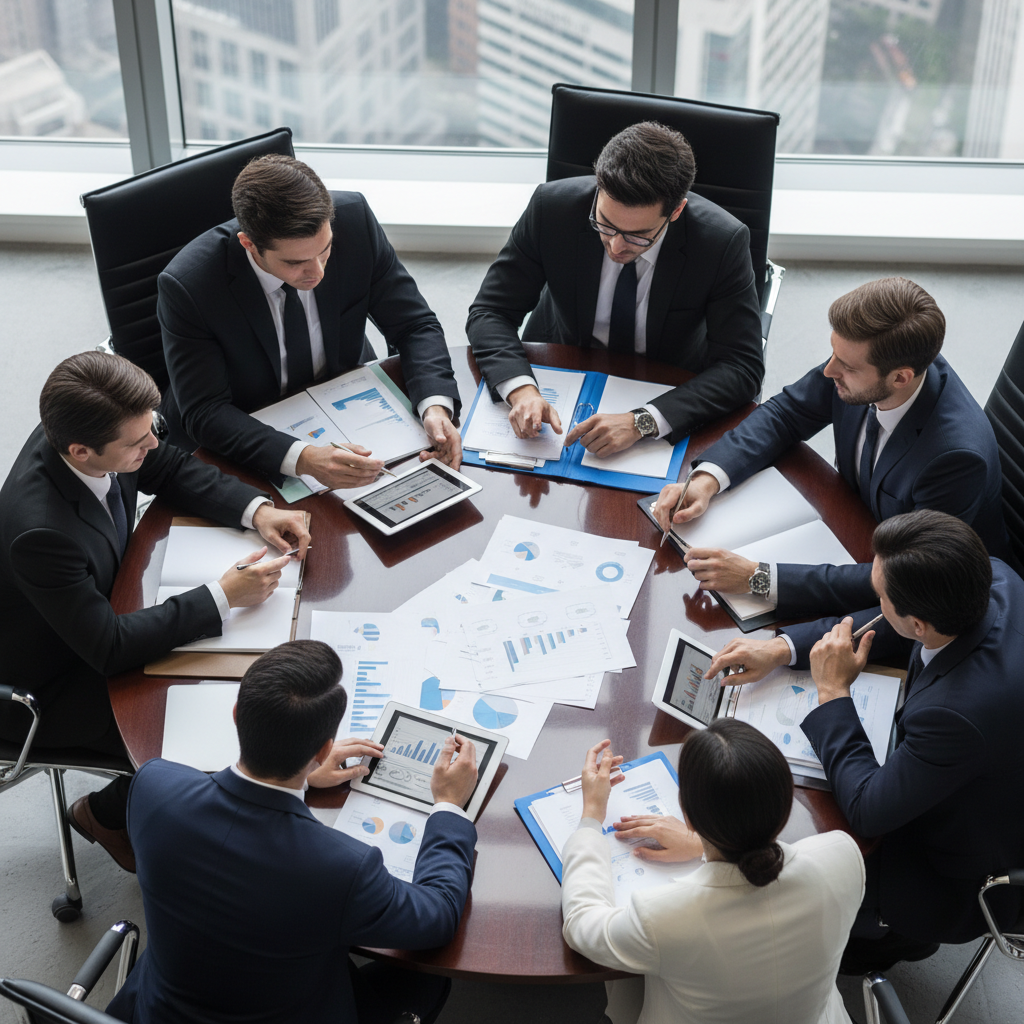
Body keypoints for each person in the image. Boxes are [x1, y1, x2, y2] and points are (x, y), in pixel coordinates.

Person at [0, 352, 309, 872]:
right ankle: (117, 818)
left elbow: (165, 466)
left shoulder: (88, 431)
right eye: (137, 442)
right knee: (219, 728)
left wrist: (258, 510)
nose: (152, 444)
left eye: (151, 430)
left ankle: (114, 810)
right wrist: (223, 595)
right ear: (81, 451)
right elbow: (107, 648)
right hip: (55, 681)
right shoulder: (41, 533)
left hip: (99, 611)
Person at [706, 510, 1024, 969]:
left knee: (775, 876)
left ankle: (894, 939)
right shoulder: (993, 577)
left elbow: (868, 810)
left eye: (882, 597)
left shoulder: (956, 714)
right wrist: (783, 648)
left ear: (919, 624)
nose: (875, 603)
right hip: (983, 775)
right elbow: (889, 621)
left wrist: (833, 692)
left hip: (952, 872)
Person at [106, 640, 478, 1024]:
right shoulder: (342, 869)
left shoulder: (153, 787)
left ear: (236, 714)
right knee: (428, 979)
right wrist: (448, 805)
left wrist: (301, 778)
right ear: (325, 750)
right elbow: (438, 915)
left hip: (156, 1009)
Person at [652, 277, 1010, 619]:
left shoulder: (955, 459)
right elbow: (786, 413)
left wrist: (758, 578)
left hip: (928, 592)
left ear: (901, 377)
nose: (828, 371)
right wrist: (708, 479)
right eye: (833, 353)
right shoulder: (866, 367)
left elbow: (908, 578)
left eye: (846, 366)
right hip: (855, 525)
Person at [158, 154, 463, 491]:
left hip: (344, 397)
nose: (317, 273)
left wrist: (435, 406)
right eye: (295, 262)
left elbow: (414, 324)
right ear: (249, 245)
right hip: (250, 424)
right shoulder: (189, 286)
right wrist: (302, 458)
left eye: (325, 250)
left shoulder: (355, 220)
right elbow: (205, 411)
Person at [466, 121, 763, 456]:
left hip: (663, 382)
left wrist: (643, 421)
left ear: (676, 211)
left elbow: (742, 366)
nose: (616, 246)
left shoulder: (721, 242)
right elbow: (490, 311)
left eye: (638, 236)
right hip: (564, 364)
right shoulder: (551, 208)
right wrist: (521, 389)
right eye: (604, 224)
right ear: (598, 189)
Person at [561, 724, 863, 1024]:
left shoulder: (664, 917)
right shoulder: (843, 856)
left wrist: (591, 817)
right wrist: (701, 844)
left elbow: (582, 923)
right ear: (786, 802)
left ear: (687, 816)